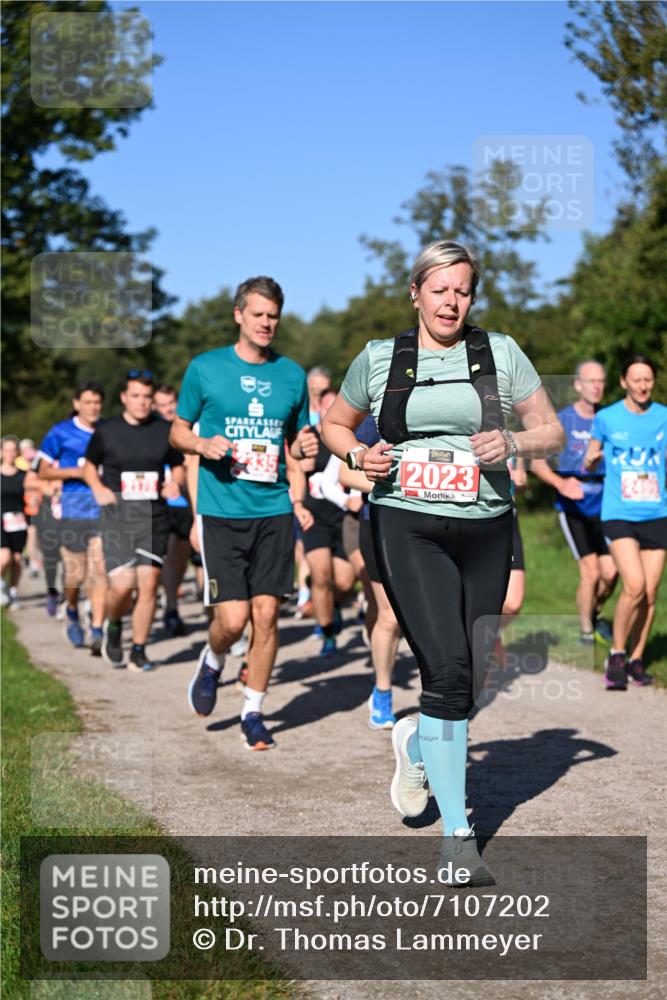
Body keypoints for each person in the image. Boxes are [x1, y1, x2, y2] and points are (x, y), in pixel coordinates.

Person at [322, 240, 564, 884]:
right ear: (416, 292)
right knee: (448, 668)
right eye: (440, 289)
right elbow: (334, 425)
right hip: (408, 522)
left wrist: (513, 438)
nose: (451, 301)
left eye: (462, 290)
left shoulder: (500, 353)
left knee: (473, 672)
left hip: (486, 524)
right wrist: (356, 457)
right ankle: (459, 837)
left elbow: (553, 429)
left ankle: (414, 741)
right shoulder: (380, 359)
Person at [170, 276, 317, 750]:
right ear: (239, 315)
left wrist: (308, 445)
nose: (266, 323)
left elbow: (300, 443)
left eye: (273, 315)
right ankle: (213, 660)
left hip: (273, 507)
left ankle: (253, 711)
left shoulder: (292, 375)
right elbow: (177, 431)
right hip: (221, 508)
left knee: (268, 615)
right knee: (232, 622)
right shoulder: (206, 368)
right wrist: (200, 443)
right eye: (257, 314)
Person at [83, 371, 185, 671]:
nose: (142, 402)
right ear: (124, 398)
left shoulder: (163, 429)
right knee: (124, 586)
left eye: (147, 397)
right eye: (136, 396)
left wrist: (174, 484)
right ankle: (114, 625)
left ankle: (139, 649)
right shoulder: (107, 430)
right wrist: (99, 488)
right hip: (119, 518)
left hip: (154, 516)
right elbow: (90, 466)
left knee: (149, 585)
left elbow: (178, 465)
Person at [584, 354, 666, 689]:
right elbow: (590, 461)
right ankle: (616, 653)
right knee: (632, 584)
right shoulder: (606, 417)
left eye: (648, 379)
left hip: (657, 513)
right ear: (624, 382)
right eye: (637, 379)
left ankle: (636, 659)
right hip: (619, 513)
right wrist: (591, 460)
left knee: (649, 592)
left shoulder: (663, 416)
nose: (643, 386)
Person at [531, 360, 616, 644]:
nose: (597, 386)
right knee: (591, 572)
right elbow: (537, 464)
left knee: (611, 573)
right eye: (591, 381)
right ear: (578, 385)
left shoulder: (610, 419)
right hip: (573, 508)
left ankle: (594, 612)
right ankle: (586, 633)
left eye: (601, 381)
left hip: (606, 505)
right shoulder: (563, 421)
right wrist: (561, 483)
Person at [333, 412, 403, 729]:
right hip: (379, 523)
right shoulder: (378, 416)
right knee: (389, 615)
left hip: (432, 527)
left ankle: (443, 697)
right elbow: (346, 475)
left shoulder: (448, 410)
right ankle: (383, 691)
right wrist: (394, 488)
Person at [36, 381, 107, 651]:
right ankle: (73, 609)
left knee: (99, 570)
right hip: (74, 509)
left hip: (103, 509)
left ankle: (98, 629)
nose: (93, 407)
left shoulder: (108, 431)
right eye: (88, 402)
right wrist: (77, 473)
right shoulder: (61, 433)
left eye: (97, 402)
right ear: (77, 404)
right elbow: (43, 471)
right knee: (76, 575)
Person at [299, 388, 357, 657]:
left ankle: (331, 606)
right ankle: (328, 632)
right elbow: (295, 469)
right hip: (316, 517)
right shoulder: (309, 436)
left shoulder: (351, 436)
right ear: (319, 408)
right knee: (321, 575)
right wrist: (298, 503)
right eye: (326, 405)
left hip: (344, 517)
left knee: (345, 583)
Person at [153, 383, 193, 637]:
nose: (168, 409)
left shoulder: (188, 429)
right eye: (162, 405)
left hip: (185, 503)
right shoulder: (154, 432)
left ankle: (169, 600)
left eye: (171, 404)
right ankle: (170, 607)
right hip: (162, 505)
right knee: (166, 557)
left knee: (179, 561)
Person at [1, 436, 38, 609]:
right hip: (1, 521)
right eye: (6, 450)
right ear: (1, 452)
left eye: (12, 450)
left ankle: (13, 592)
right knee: (5, 556)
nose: (9, 453)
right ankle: (1, 585)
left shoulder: (24, 476)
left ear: (17, 453)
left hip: (19, 521)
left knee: (17, 559)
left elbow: (31, 498)